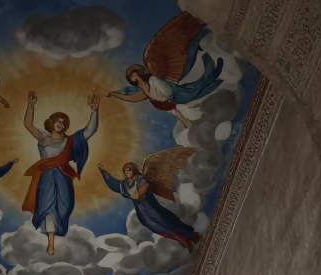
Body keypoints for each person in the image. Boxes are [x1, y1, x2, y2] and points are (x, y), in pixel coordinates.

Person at [21, 91, 100, 256]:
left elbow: (90, 130)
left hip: (63, 177)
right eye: (58, 120)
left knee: (63, 206)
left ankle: (54, 236)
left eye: (64, 122)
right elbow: (28, 125)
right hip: (47, 178)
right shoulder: (43, 137)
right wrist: (31, 105)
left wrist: (94, 111)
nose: (61, 123)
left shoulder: (70, 141)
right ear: (51, 122)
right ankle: (51, 243)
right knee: (48, 206)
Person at [98, 147, 200, 251]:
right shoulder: (124, 185)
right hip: (141, 210)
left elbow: (141, 190)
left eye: (129, 170)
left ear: (133, 170)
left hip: (150, 206)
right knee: (154, 225)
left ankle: (190, 236)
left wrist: (137, 193)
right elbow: (113, 184)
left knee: (165, 221)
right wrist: (103, 172)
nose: (127, 173)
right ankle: (183, 239)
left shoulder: (141, 179)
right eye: (125, 171)